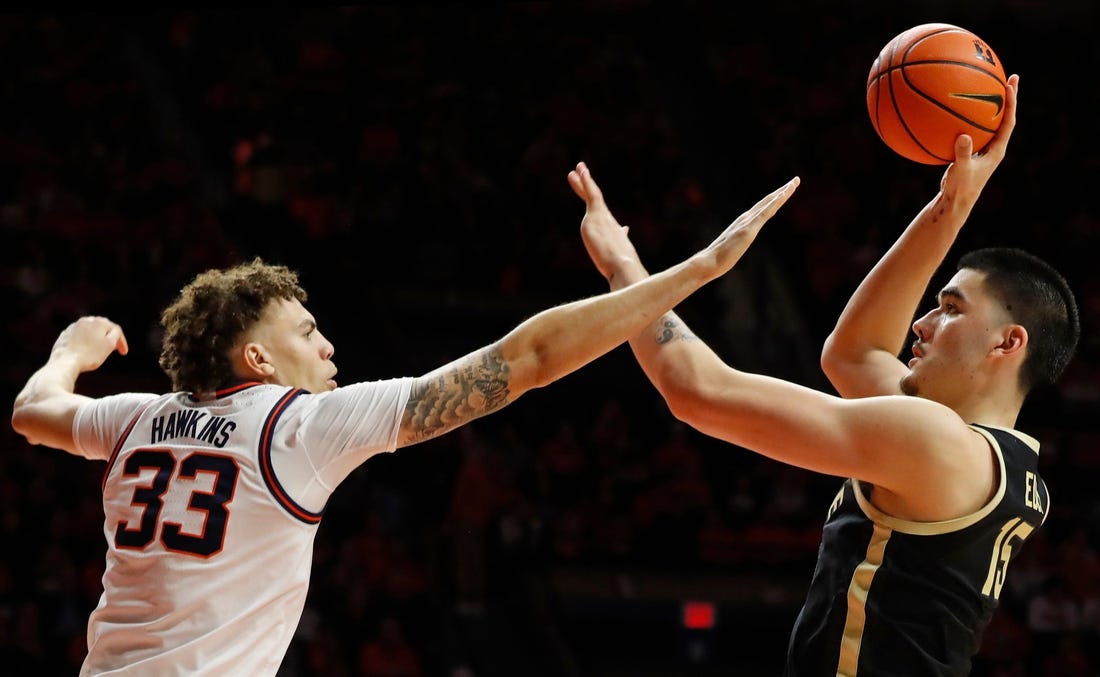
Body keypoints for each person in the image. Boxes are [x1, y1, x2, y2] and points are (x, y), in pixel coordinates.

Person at [10, 167, 799, 676]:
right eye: (306, 332)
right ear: (255, 359)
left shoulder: (138, 420)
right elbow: (523, 359)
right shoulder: (296, 428)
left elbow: (32, 411)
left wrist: (70, 349)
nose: (327, 344)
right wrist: (689, 273)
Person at [572, 73, 1081, 676]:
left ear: (1009, 341)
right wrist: (953, 205)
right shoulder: (1003, 462)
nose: (919, 323)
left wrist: (623, 269)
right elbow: (854, 353)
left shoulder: (935, 443)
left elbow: (696, 390)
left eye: (950, 308)